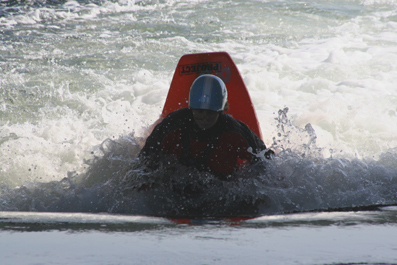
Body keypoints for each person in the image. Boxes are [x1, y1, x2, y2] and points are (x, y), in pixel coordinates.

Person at [139, 74, 273, 178]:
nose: (204, 117)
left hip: (221, 188)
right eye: (199, 111)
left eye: (210, 112)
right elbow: (145, 158)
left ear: (221, 111)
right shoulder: (172, 124)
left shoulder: (236, 131)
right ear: (191, 108)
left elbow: (266, 161)